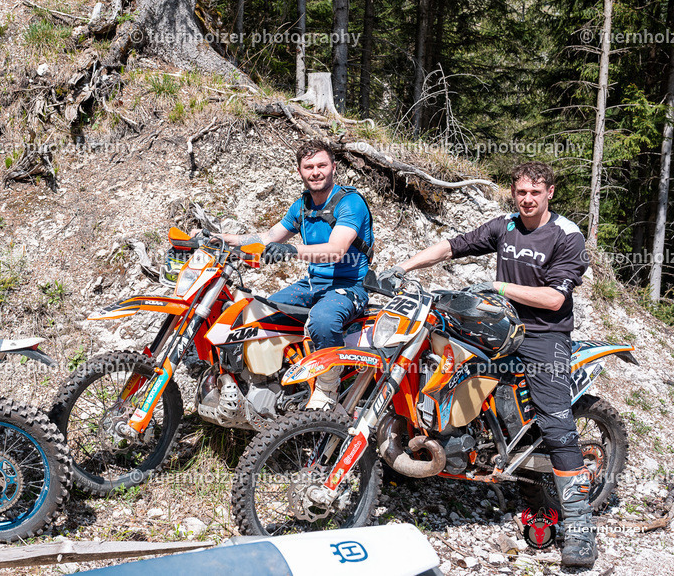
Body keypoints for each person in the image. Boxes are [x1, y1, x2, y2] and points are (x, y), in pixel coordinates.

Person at [380, 161, 594, 568]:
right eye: (521, 192)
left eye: (535, 192)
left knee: (556, 421)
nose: (527, 199)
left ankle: (581, 527)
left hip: (544, 334)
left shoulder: (567, 235)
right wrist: (403, 267)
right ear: (513, 192)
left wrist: (499, 286)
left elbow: (554, 299)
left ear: (550, 193)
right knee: (438, 365)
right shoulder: (505, 226)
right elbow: (453, 245)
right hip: (500, 325)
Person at [211, 139, 374, 409]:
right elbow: (267, 237)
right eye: (309, 167)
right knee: (262, 313)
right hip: (313, 284)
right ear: (300, 172)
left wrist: (292, 250)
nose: (316, 172)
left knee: (323, 320)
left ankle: (328, 387)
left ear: (333, 167)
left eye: (322, 165)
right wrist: (223, 239)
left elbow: (336, 250)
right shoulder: (302, 206)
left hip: (350, 285)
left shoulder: (350, 203)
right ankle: (277, 380)